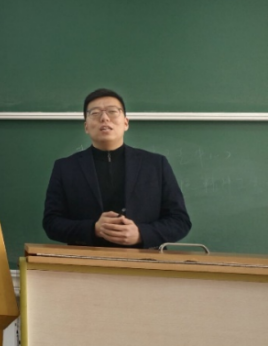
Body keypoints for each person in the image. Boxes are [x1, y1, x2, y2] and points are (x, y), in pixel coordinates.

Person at [43, 88, 191, 248]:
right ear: (86, 127)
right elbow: (51, 223)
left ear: (126, 123)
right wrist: (93, 229)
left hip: (146, 260)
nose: (104, 118)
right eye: (95, 113)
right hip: (85, 260)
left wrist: (141, 234)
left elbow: (180, 221)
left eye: (112, 111)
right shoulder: (66, 167)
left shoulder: (155, 164)